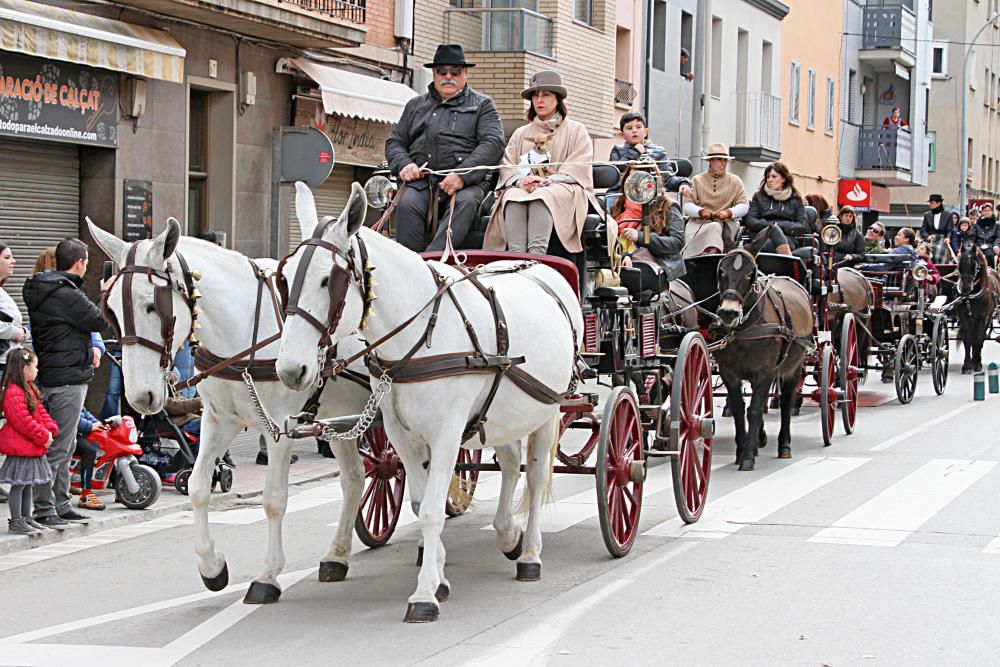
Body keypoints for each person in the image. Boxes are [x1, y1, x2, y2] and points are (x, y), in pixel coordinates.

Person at [385, 44, 505, 252]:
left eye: (455, 72)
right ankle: (409, 262)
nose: (448, 76)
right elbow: (394, 143)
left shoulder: (483, 105)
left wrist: (461, 175)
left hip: (468, 185)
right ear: (434, 73)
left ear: (465, 73)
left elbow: (493, 144)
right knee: (406, 204)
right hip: (423, 183)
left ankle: (432, 263)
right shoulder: (415, 105)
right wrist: (405, 165)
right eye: (442, 71)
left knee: (465, 203)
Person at [23, 237, 108, 527]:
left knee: (66, 443)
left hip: (57, 374)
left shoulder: (47, 289)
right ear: (80, 263)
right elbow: (99, 321)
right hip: (67, 377)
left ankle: (59, 503)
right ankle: (45, 507)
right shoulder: (65, 294)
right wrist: (105, 295)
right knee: (59, 446)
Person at [485, 70, 600, 254]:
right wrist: (520, 181)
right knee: (512, 197)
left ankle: (536, 258)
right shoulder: (520, 133)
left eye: (546, 94)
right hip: (524, 187)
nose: (539, 100)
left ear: (558, 99)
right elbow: (508, 165)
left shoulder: (576, 130)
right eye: (535, 95)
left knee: (543, 196)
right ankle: (516, 258)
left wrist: (548, 180)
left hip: (563, 187)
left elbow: (578, 167)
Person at [0, 350, 57, 535]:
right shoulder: (13, 392)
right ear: (25, 369)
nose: (37, 370)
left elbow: (40, 412)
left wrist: (50, 429)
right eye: (35, 366)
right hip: (21, 446)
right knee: (19, 484)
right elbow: (22, 421)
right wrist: (43, 435)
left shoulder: (29, 388)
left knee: (27, 483)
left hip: (31, 445)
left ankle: (27, 517)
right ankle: (16, 520)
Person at [610, 169, 686, 285]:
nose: (637, 185)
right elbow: (613, 242)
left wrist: (641, 237)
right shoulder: (618, 207)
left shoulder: (668, 206)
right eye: (633, 179)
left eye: (642, 179)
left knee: (629, 278)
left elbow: (676, 243)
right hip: (621, 262)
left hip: (655, 264)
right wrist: (623, 255)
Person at [678, 142, 749, 257]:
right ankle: (697, 257)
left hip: (727, 223)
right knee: (710, 227)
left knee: (715, 226)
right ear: (710, 161)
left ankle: (712, 256)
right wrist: (700, 211)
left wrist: (729, 213)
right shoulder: (697, 180)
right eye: (719, 159)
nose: (723, 163)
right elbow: (687, 206)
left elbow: (744, 206)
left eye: (725, 160)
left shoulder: (735, 181)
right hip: (698, 223)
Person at [0, 243, 28, 504]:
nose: (14, 262)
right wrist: (14, 332)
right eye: (7, 257)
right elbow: (10, 327)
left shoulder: (3, 291)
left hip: (8, 365)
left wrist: (22, 332)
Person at [745, 161, 809, 255]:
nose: (770, 180)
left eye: (774, 177)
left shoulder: (795, 199)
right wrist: (772, 226)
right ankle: (788, 262)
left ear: (783, 178)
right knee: (772, 233)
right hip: (761, 237)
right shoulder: (759, 197)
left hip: (786, 237)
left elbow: (802, 225)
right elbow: (750, 221)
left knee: (772, 238)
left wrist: (777, 225)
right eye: (768, 177)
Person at [74, 406, 108, 510]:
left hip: (77, 431)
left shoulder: (76, 391)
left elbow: (84, 412)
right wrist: (90, 426)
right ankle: (85, 495)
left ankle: (120, 492)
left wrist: (100, 424)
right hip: (65, 433)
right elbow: (69, 417)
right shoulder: (62, 391)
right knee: (89, 451)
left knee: (105, 446)